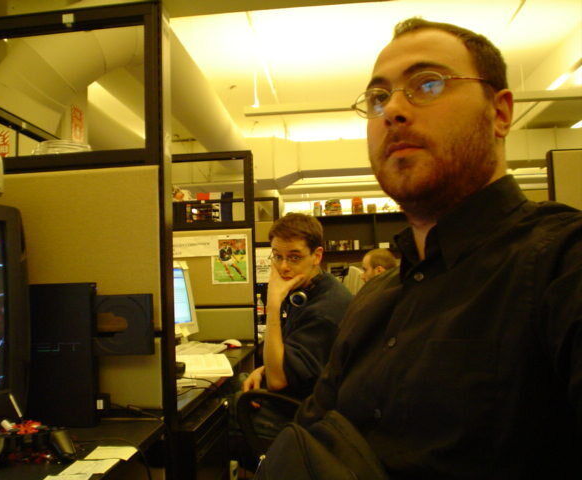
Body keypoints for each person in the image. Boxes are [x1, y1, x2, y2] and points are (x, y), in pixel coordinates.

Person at [285, 17, 582, 479]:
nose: (392, 110)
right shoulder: (372, 300)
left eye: (428, 84)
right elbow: (311, 439)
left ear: (500, 113)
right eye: (378, 97)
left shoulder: (563, 263)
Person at [243, 213, 353, 399]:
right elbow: (291, 358)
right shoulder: (306, 290)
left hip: (308, 406)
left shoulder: (324, 309)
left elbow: (277, 382)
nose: (283, 267)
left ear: (316, 256)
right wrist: (264, 370)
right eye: (277, 256)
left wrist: (273, 306)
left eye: (294, 257)